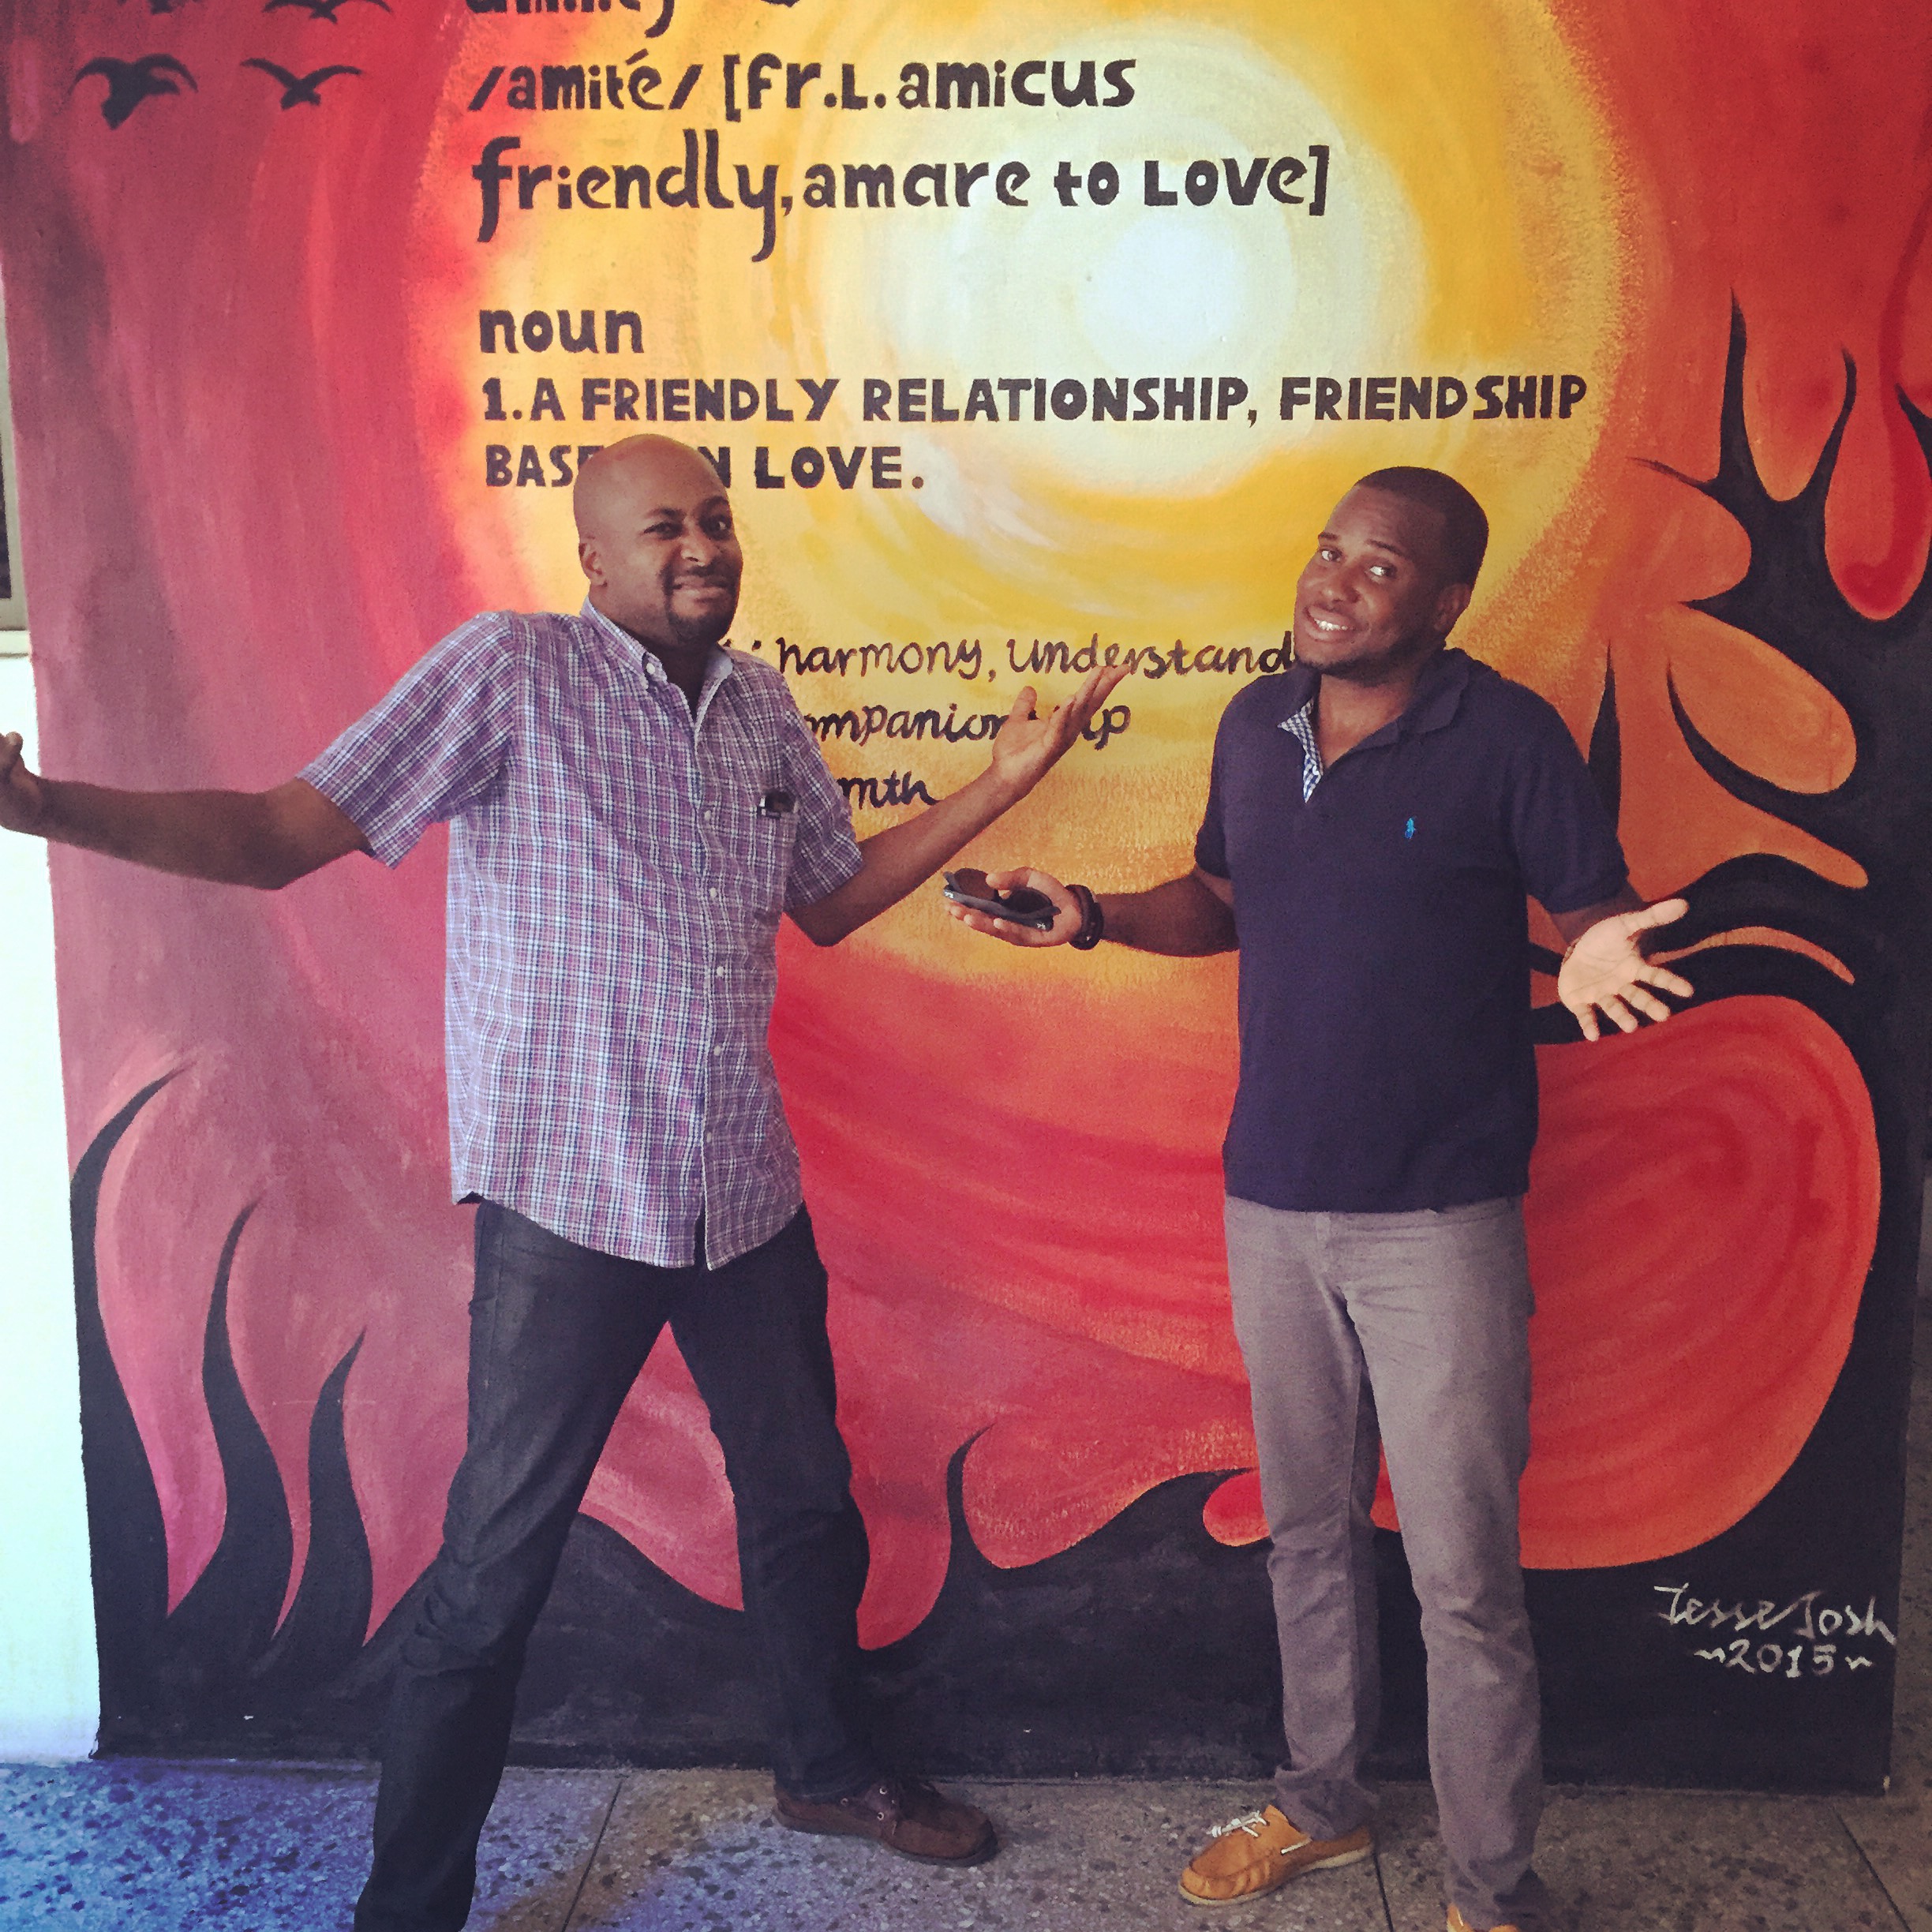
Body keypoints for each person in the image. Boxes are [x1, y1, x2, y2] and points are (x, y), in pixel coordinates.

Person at [0, 433, 1125, 1932]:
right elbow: (277, 836)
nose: (702, 547)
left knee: (804, 1502)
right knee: (492, 1571)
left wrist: (1001, 783)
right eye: (664, 528)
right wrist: (41, 807)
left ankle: (827, 1768)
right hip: (571, 1207)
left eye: (716, 520)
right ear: (593, 557)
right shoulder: (510, 675)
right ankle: (410, 1906)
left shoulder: (760, 707)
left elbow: (835, 904)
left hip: (742, 1193)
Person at [949, 466, 1690, 1932]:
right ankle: (1324, 1803)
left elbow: (1595, 911)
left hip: (1440, 1223)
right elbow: (1226, 898)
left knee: (1464, 1581)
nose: (1334, 582)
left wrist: (1603, 942)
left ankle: (1491, 1890)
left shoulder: (1507, 738)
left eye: (1381, 566)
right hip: (1275, 1203)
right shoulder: (1256, 725)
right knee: (1308, 1532)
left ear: (1448, 600)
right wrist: (1094, 918)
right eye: (1329, 550)